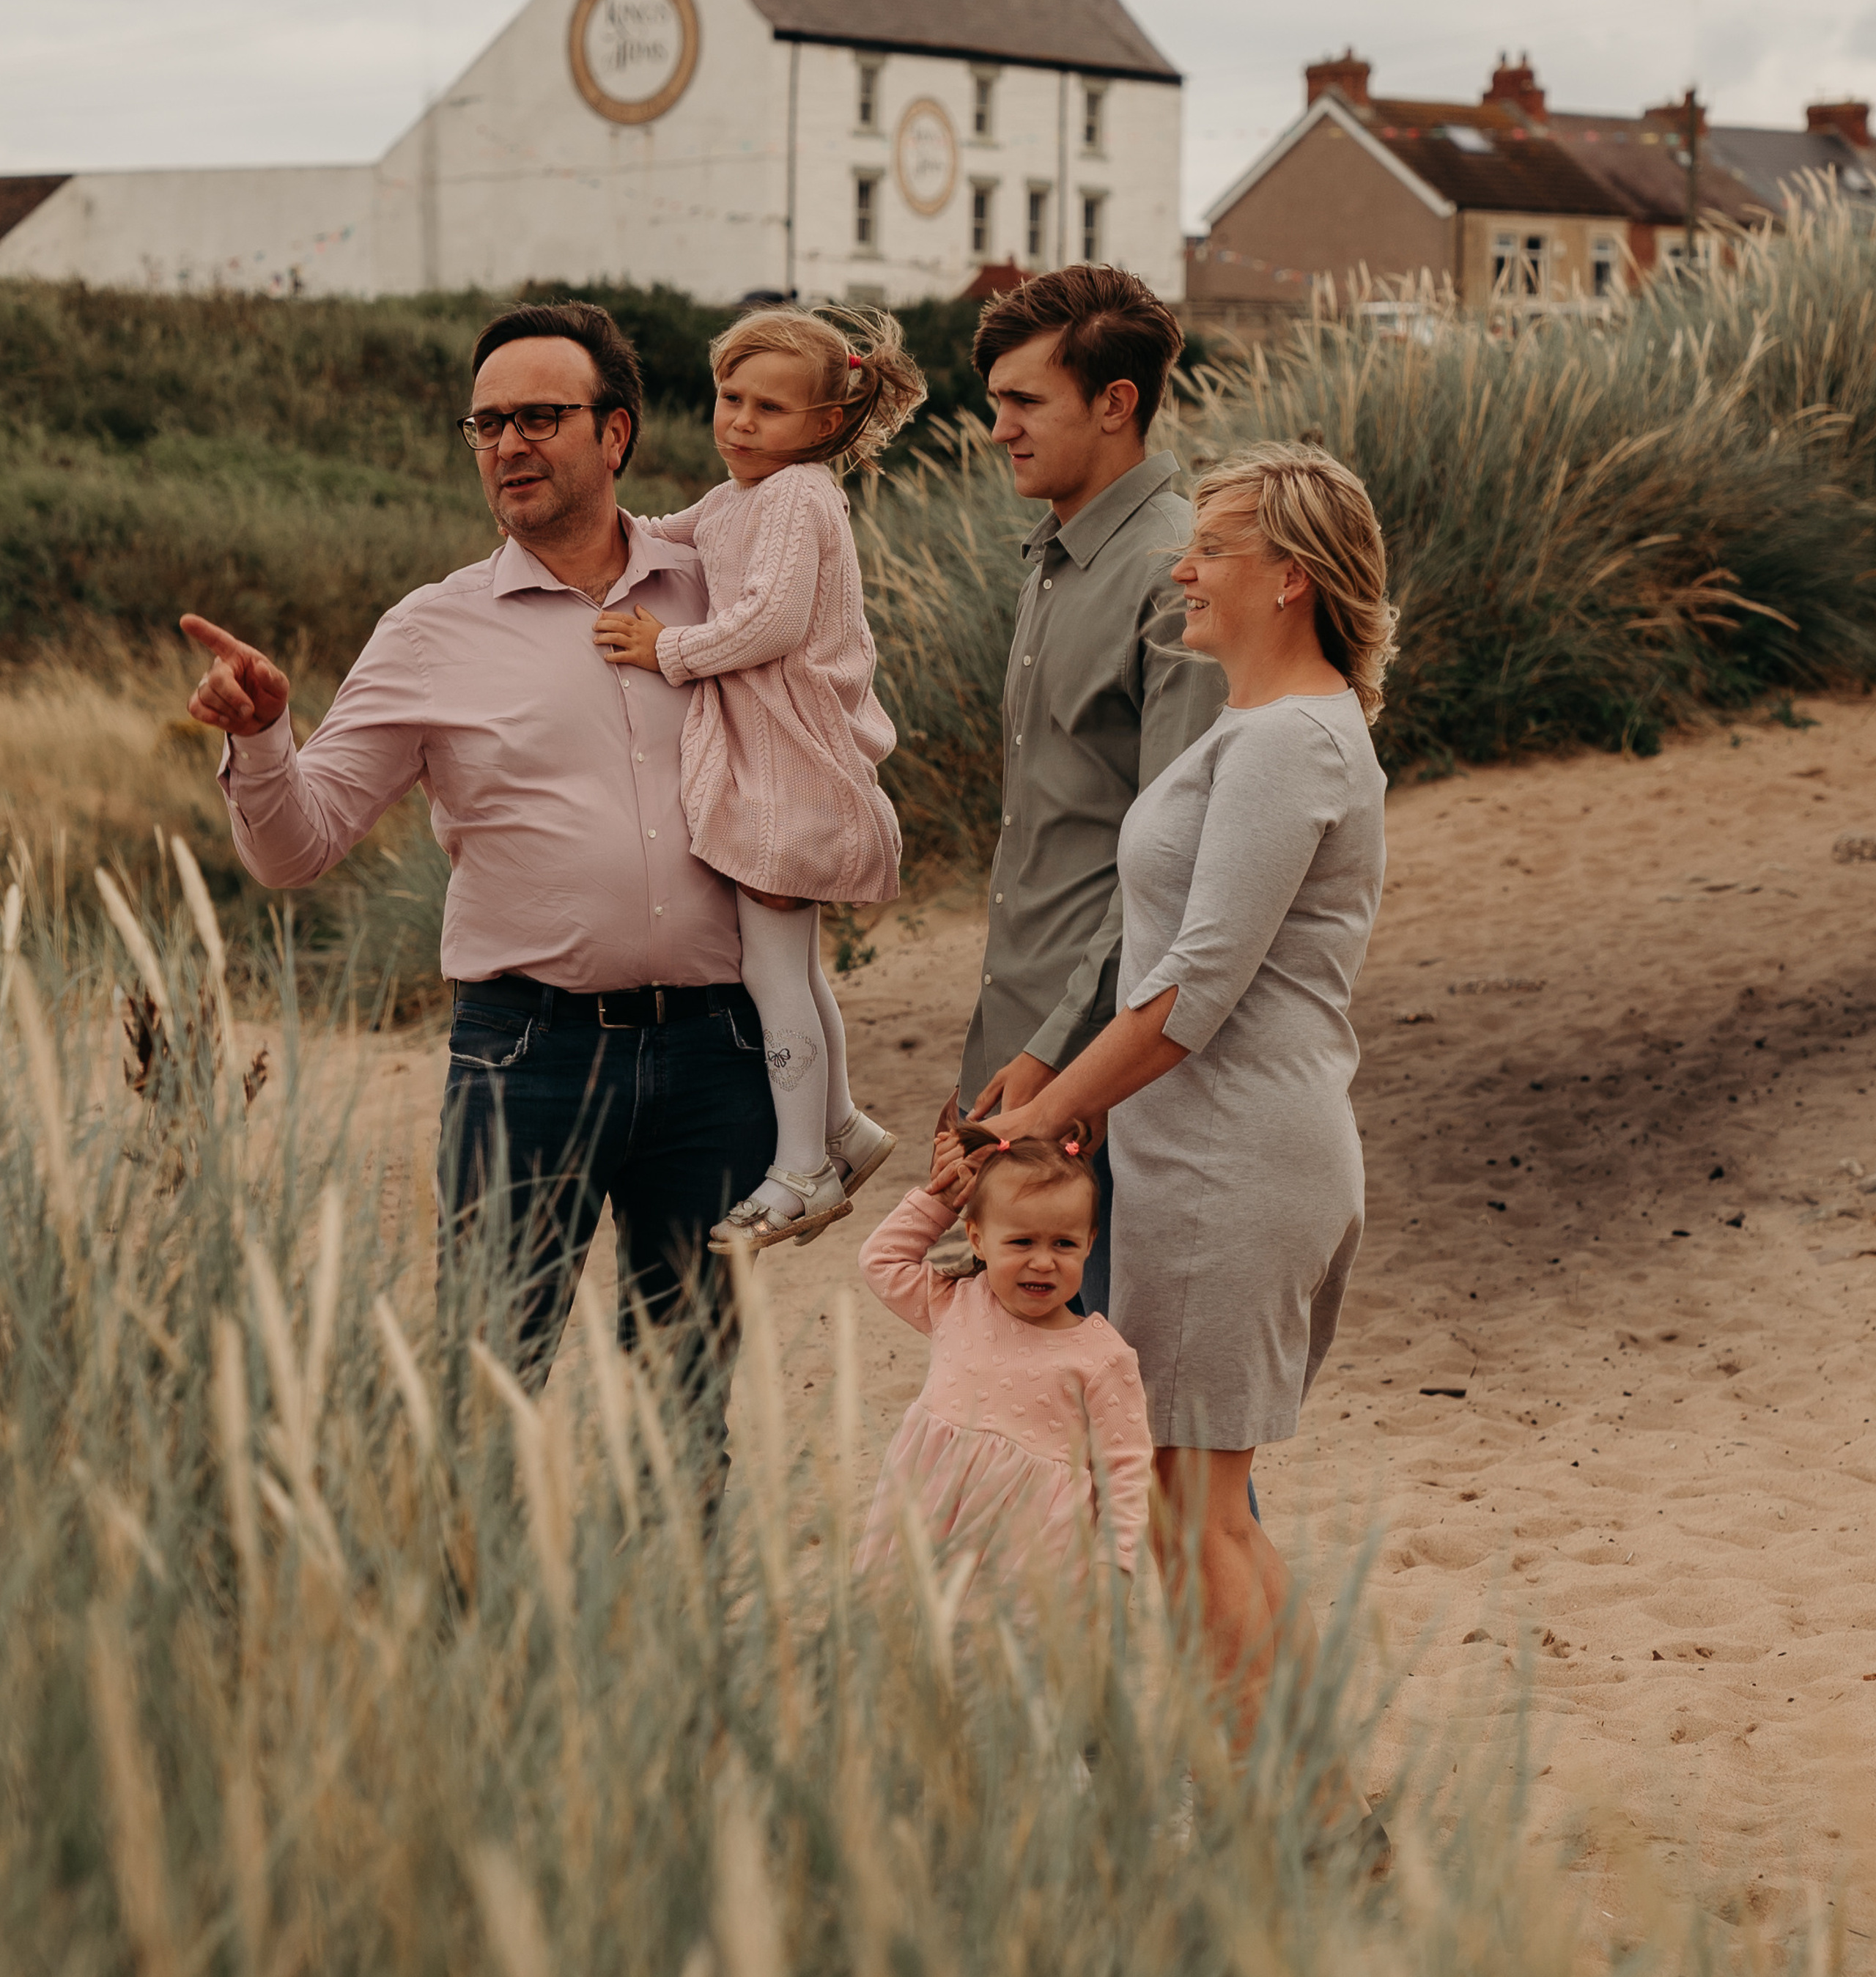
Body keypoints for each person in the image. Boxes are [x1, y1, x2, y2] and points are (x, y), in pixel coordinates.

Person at [180, 300, 775, 1400]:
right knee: (482, 1393)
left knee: (689, 1403)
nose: (506, 444)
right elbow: (295, 851)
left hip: (717, 1052)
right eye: (486, 423)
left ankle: (669, 1583)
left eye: (539, 416)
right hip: (527, 1058)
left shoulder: (719, 587)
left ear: (616, 434)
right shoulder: (429, 630)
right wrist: (266, 737)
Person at [984, 440, 1395, 1863]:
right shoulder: (1271, 728)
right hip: (1199, 1159)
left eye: (1209, 546)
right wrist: (1052, 1090)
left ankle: (1294, 1820)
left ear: (1285, 574)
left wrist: (1041, 1120)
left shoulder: (1291, 741)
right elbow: (1165, 977)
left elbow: (1188, 992)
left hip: (1232, 1162)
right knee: (1198, 1503)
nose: (1179, 566)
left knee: (1190, 1512)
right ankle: (1305, 1803)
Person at [593, 305, 924, 1251]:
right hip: (770, 766)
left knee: (771, 977)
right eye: (729, 398)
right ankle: (842, 1129)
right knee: (791, 967)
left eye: (768, 409)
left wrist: (668, 650)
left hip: (793, 773)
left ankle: (804, 1173)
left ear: (823, 423)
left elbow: (770, 622)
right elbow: (664, 533)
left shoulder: (798, 497)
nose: (739, 422)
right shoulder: (741, 494)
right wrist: (590, 529)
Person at [950, 264, 1227, 1318]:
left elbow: (1170, 863)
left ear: (1118, 404)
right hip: (1022, 1049)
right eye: (995, 405)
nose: (998, 430)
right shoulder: (1057, 558)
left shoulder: (1178, 574)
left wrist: (1054, 1060)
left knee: (1121, 1413)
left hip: (1104, 1069)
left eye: (1024, 403)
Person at [854, 1118, 1151, 1594]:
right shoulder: (956, 1304)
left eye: (1064, 1244)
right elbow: (881, 1259)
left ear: (1090, 1244)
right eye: (1020, 1242)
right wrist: (944, 1196)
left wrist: (1114, 1564)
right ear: (977, 1239)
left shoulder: (1103, 1356)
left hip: (1032, 1558)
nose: (1042, 1260)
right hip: (929, 1524)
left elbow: (1125, 1468)